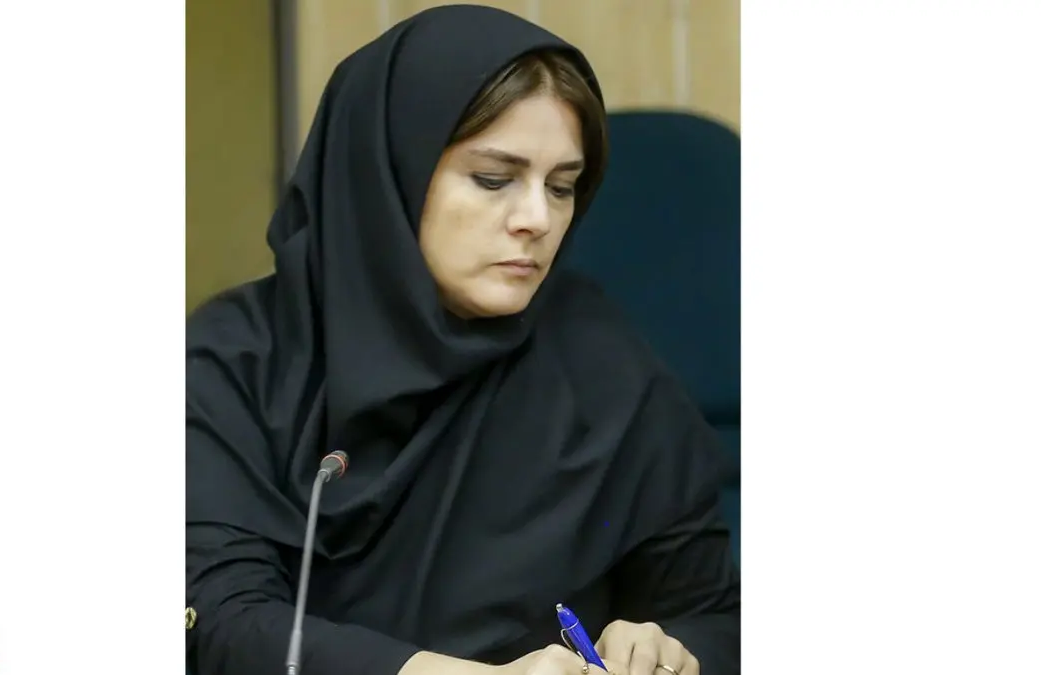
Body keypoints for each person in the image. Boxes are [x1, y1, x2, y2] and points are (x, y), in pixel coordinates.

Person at [186, 5, 740, 675]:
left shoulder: (602, 360)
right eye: (493, 179)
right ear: (389, 171)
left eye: (562, 187)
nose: (537, 218)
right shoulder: (232, 362)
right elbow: (219, 621)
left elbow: (717, 616)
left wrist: (668, 651)